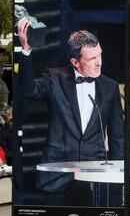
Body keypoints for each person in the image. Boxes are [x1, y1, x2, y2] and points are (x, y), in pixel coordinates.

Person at [17, 18, 124, 206]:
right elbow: (28, 91)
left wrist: (118, 175)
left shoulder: (110, 87)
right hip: (58, 176)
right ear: (75, 61)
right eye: (92, 58)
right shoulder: (55, 78)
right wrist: (25, 51)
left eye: (100, 55)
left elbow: (117, 136)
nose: (99, 62)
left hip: (95, 176)